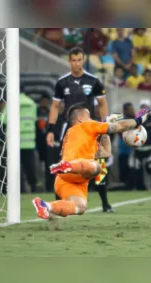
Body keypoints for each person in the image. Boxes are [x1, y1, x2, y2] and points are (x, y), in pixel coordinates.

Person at [32, 104, 150, 220]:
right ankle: (69, 166)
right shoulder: (87, 125)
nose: (92, 119)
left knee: (80, 207)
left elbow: (106, 153)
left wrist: (105, 127)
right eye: (89, 117)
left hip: (66, 179)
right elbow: (120, 126)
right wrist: (138, 120)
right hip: (75, 169)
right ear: (80, 119)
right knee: (97, 167)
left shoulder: (76, 135)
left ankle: (45, 205)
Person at [46, 46, 113, 211]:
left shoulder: (94, 81)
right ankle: (58, 203)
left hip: (89, 129)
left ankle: (105, 203)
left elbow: (103, 104)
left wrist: (104, 126)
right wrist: (50, 129)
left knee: (99, 163)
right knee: (65, 163)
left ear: (83, 60)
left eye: (79, 60)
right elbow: (55, 106)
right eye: (74, 60)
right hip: (69, 129)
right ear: (69, 61)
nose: (77, 64)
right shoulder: (62, 83)